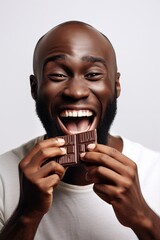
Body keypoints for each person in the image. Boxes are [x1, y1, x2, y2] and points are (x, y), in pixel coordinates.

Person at [0, 21, 160, 240]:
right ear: (35, 88)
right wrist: (26, 214)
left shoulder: (156, 172)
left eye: (93, 75)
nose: (75, 92)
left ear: (116, 85)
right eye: (57, 76)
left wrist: (143, 218)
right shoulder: (2, 177)